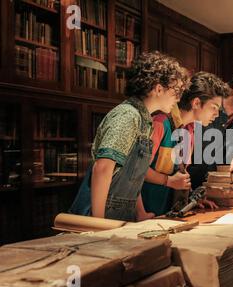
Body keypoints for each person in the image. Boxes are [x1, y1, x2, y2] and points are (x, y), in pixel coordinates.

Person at [69, 51, 188, 222]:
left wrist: (140, 213)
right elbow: (102, 168)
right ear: (158, 89)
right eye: (176, 92)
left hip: (120, 217)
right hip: (96, 217)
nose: (177, 99)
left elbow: (134, 175)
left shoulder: (145, 121)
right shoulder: (128, 115)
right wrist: (97, 223)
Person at [141, 71, 230, 216]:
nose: (217, 114)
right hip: (147, 214)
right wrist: (168, 181)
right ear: (196, 103)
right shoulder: (160, 122)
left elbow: (180, 174)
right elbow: (137, 171)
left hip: (168, 214)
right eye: (214, 107)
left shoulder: (191, 130)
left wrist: (191, 200)